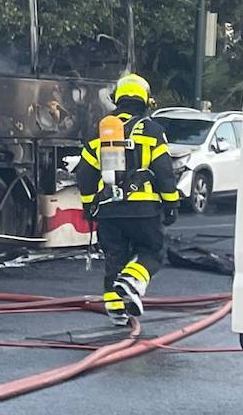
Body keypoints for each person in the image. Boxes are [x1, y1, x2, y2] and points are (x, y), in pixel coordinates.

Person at [75, 73, 179, 326]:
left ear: (117, 99)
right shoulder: (153, 131)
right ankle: (132, 281)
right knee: (152, 251)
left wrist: (89, 205)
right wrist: (171, 203)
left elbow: (85, 173)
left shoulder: (99, 131)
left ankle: (116, 311)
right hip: (143, 209)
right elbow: (164, 172)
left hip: (109, 210)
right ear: (145, 100)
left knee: (115, 258)